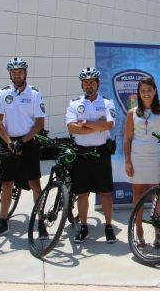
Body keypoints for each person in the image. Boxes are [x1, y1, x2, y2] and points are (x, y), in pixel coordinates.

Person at [0, 58, 46, 239]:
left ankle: (41, 221)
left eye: (19, 72)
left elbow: (39, 123)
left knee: (35, 183)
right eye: (13, 72)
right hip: (9, 143)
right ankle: (3, 222)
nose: (17, 75)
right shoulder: (3, 93)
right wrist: (8, 142)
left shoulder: (35, 94)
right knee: (7, 184)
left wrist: (22, 141)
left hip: (28, 143)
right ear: (10, 75)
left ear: (25, 73)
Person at [66, 67, 117, 244]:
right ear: (82, 85)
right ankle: (84, 227)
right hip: (81, 154)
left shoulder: (107, 102)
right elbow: (71, 128)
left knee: (105, 193)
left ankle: (109, 227)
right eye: (86, 82)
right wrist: (97, 125)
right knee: (83, 193)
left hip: (101, 153)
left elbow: (108, 126)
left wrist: (85, 125)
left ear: (97, 83)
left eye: (92, 82)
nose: (89, 85)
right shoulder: (74, 103)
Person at [124, 77, 160, 247]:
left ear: (155, 91)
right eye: (143, 90)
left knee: (157, 195)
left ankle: (158, 230)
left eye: (149, 90)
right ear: (139, 92)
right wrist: (128, 162)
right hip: (137, 159)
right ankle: (139, 231)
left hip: (157, 159)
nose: (146, 93)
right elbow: (127, 139)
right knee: (137, 196)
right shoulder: (132, 113)